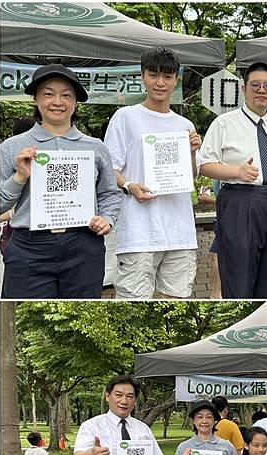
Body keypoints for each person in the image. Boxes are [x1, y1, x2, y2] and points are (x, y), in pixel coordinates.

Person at [0, 64, 121, 299]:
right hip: (29, 248)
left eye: (66, 95)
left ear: (75, 102)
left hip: (83, 245)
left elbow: (109, 193)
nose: (58, 101)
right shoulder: (12, 147)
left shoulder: (95, 147)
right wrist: (20, 176)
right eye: (48, 93)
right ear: (35, 99)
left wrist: (107, 219)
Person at [104, 47, 201, 300]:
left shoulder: (185, 125)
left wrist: (191, 152)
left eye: (167, 76)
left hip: (179, 231)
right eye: (154, 75)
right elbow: (109, 169)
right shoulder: (125, 117)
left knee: (176, 302)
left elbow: (190, 177)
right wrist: (130, 186)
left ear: (176, 79)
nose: (160, 83)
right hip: (138, 232)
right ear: (142, 76)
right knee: (133, 303)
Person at [199, 61, 267, 299]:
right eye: (255, 85)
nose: (262, 90)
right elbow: (203, 165)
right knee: (239, 275)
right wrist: (236, 172)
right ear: (244, 89)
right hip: (241, 201)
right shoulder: (224, 123)